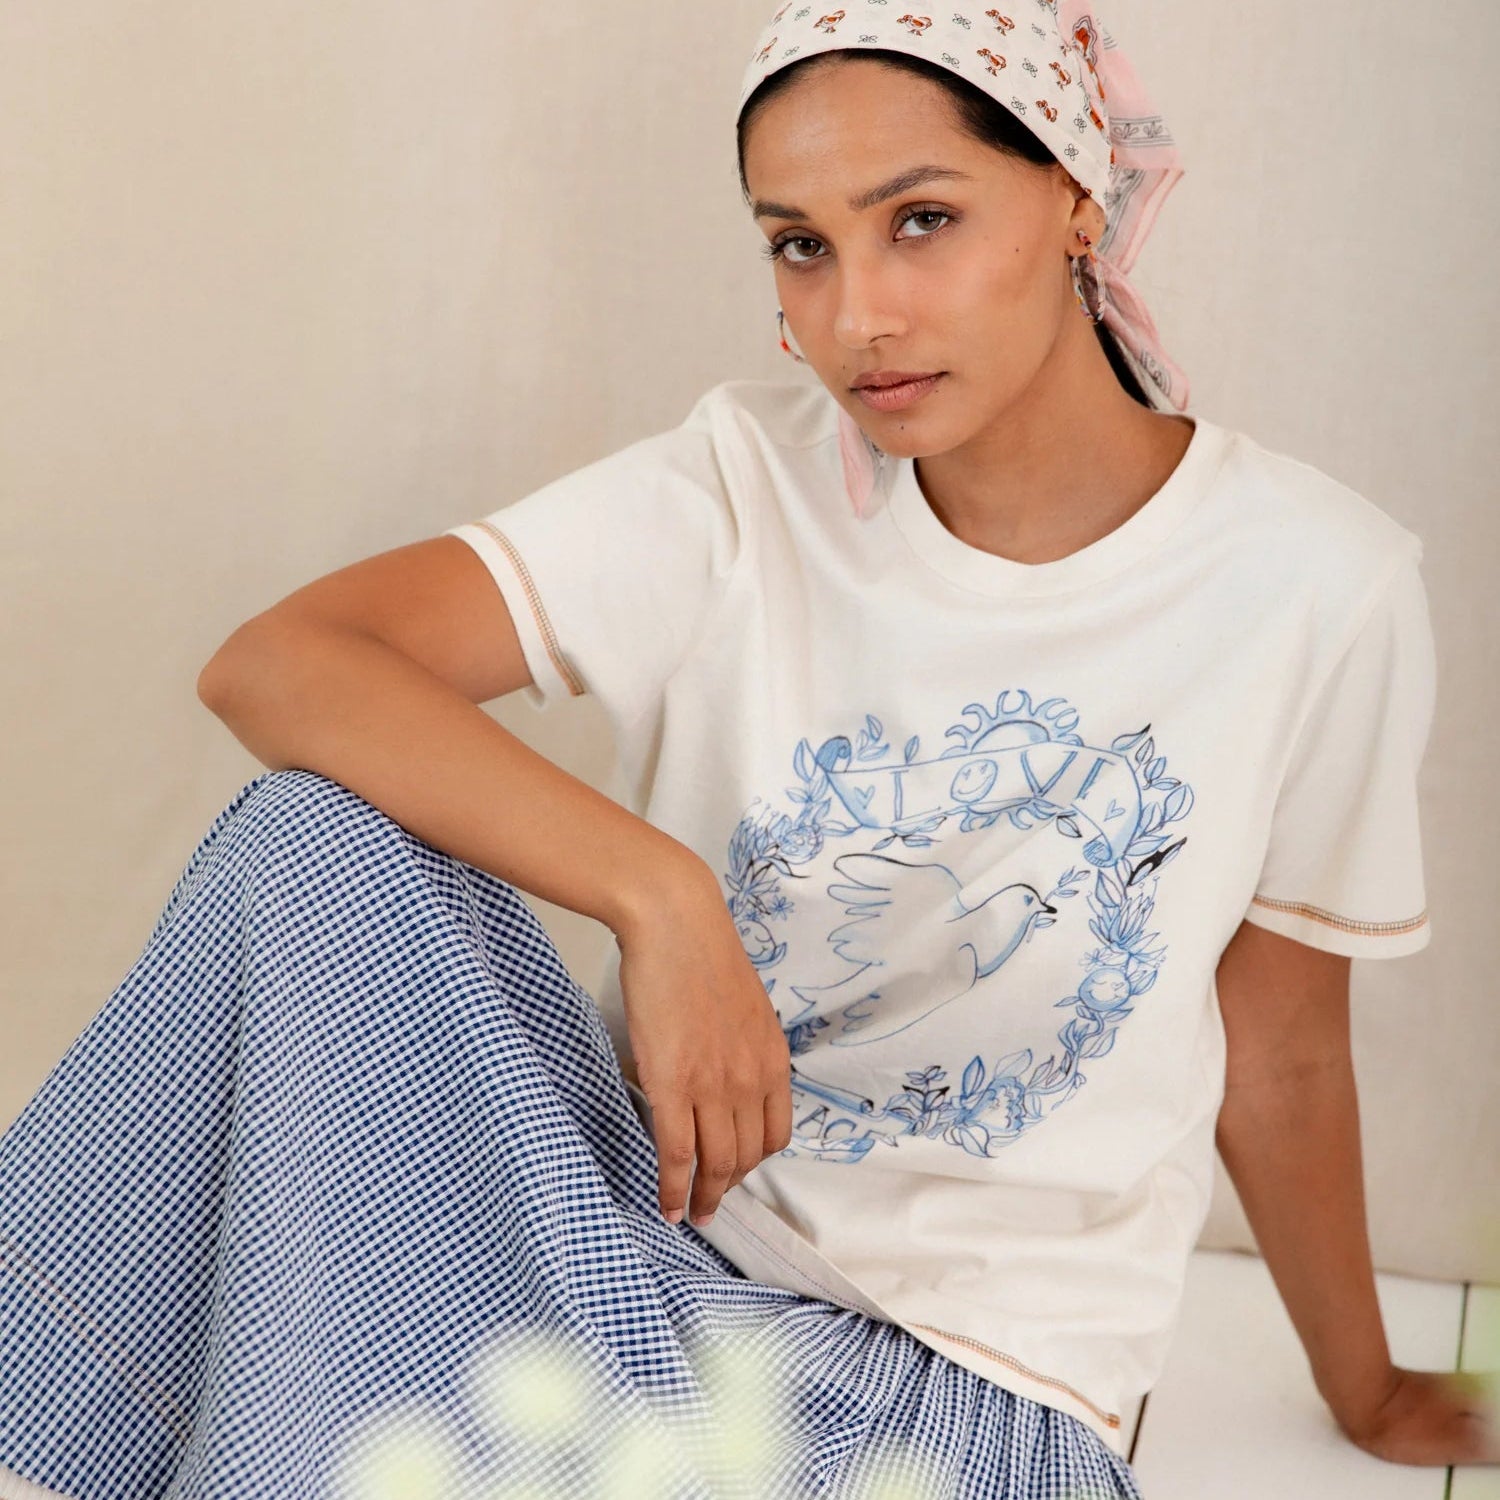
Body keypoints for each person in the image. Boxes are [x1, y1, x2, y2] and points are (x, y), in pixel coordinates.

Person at [2, 3, 1495, 1496]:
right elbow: (281, 664)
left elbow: (1286, 1054)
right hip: (619, 1240)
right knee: (309, 844)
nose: (858, 317)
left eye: (922, 221)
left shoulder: (1316, 586)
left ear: (1076, 201)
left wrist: (1366, 1393)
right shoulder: (741, 487)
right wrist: (660, 895)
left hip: (951, 1386)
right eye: (801, 244)